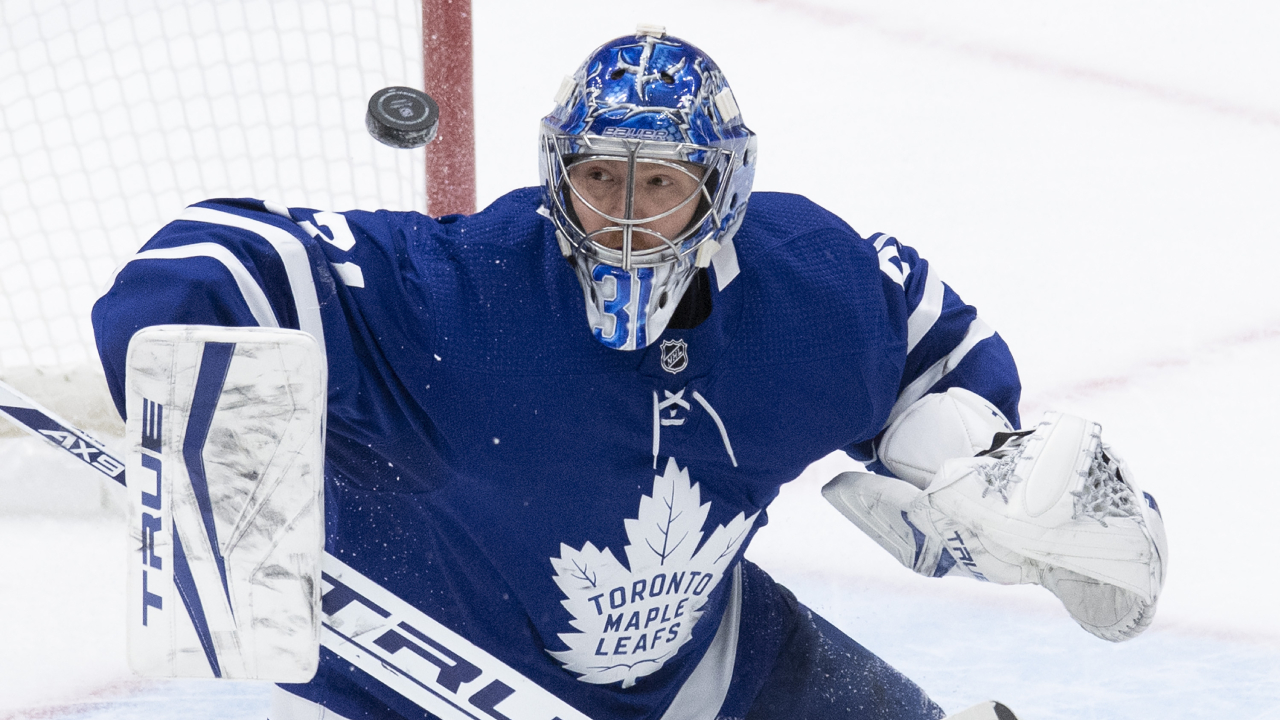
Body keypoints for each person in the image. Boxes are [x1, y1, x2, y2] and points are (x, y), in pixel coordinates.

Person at [93, 27, 1165, 720]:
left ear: (721, 192)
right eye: (599, 176)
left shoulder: (808, 295)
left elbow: (935, 352)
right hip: (431, 679)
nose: (621, 216)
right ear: (556, 175)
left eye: (660, 184)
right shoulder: (458, 292)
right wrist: (230, 492)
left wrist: (981, 464)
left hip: (711, 663)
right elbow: (200, 265)